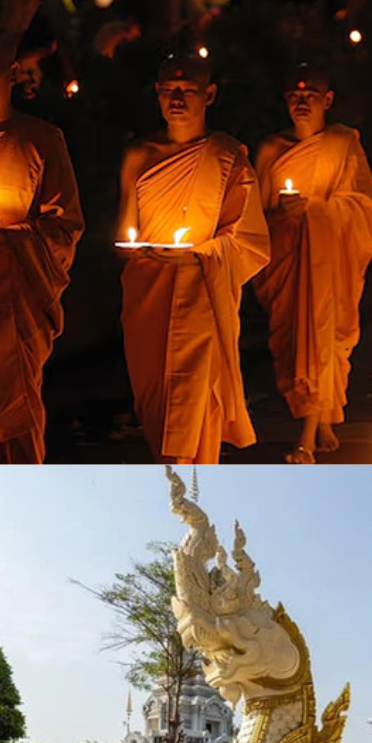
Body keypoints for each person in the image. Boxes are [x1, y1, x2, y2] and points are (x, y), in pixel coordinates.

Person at [115, 54, 271, 464]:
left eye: (187, 91)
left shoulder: (227, 157)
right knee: (154, 399)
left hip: (203, 293)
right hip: (148, 291)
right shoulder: (139, 156)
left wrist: (200, 256)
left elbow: (248, 239)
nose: (177, 99)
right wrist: (148, 251)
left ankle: (188, 482)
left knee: (193, 400)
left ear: (210, 95)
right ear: (158, 94)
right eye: (169, 90)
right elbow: (125, 232)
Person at [0, 29, 83, 462]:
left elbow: (64, 229)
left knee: (8, 419)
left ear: (11, 74)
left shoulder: (39, 139)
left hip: (8, 309)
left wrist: (5, 237)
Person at [250, 65, 372, 463]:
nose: (302, 102)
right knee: (296, 343)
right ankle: (318, 416)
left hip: (330, 263)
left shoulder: (343, 144)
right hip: (288, 264)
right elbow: (253, 219)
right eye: (294, 95)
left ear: (328, 100)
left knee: (325, 337)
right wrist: (286, 217)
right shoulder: (271, 151)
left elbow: (363, 205)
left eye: (311, 95)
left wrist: (318, 210)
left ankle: (308, 432)